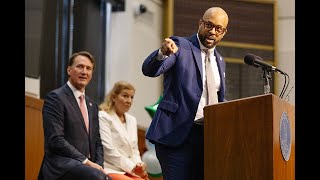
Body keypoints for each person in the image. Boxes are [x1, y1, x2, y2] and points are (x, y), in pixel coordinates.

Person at [141, 7, 229, 180]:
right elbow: (150, 70)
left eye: (218, 28)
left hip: (207, 138)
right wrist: (161, 54)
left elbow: (216, 97)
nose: (212, 31)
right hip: (176, 134)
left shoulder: (220, 61)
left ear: (224, 32)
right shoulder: (180, 46)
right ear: (200, 23)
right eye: (209, 25)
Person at [38, 51, 111, 180]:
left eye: (88, 68)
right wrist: (87, 162)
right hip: (62, 166)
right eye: (80, 66)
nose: (84, 71)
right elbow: (55, 140)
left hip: (87, 168)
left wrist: (98, 166)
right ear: (69, 70)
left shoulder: (92, 105)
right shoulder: (56, 98)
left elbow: (97, 142)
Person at [98, 81, 149, 180]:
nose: (129, 101)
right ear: (113, 97)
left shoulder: (132, 120)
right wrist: (132, 167)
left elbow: (134, 150)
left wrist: (139, 165)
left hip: (130, 169)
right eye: (125, 96)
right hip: (111, 168)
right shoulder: (103, 116)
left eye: (131, 97)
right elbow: (108, 150)